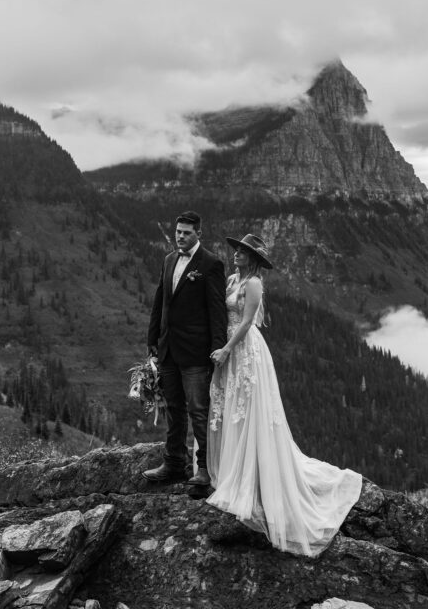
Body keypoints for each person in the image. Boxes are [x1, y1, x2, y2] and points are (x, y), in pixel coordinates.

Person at [207, 233, 363, 557]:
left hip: (245, 352)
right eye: (238, 249)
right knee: (234, 408)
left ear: (253, 259)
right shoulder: (234, 278)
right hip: (231, 351)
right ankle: (237, 476)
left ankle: (252, 483)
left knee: (247, 411)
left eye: (243, 252)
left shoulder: (253, 285)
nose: (237, 253)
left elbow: (248, 321)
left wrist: (225, 349)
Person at [144, 211, 227, 486]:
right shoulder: (169, 260)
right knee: (173, 407)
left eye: (187, 232)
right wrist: (152, 339)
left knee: (198, 409)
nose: (180, 236)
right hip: (168, 347)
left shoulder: (211, 263)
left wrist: (217, 348)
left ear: (198, 234)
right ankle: (174, 464)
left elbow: (217, 311)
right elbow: (161, 300)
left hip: (195, 351)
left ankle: (205, 469)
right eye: (178, 231)